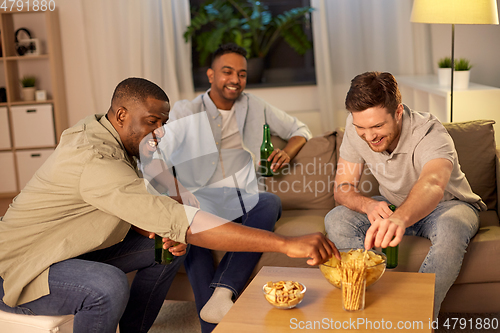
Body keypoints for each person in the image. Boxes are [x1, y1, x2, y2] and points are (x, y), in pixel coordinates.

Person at [0, 77, 338, 333]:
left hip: (64, 251)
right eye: (152, 121)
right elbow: (182, 220)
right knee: (107, 286)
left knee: (165, 250)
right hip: (21, 268)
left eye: (163, 123)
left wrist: (153, 222)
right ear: (121, 114)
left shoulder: (107, 133)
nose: (160, 132)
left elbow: (115, 202)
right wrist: (285, 243)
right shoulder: (95, 158)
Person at [150, 43, 312, 332]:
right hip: (202, 200)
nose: (236, 80)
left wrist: (288, 151)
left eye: (242, 74)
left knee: (269, 202)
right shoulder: (187, 110)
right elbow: (157, 154)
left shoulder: (256, 106)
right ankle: (212, 328)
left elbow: (301, 130)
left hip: (244, 198)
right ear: (211, 75)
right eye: (227, 72)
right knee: (192, 228)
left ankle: (223, 292)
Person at [324, 71, 485, 320]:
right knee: (336, 219)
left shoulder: (430, 132)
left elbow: (433, 183)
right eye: (361, 128)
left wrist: (400, 219)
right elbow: (343, 187)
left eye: (378, 126)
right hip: (394, 207)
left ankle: (414, 319)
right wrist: (367, 205)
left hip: (447, 207)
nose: (369, 136)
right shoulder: (356, 128)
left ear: (398, 112)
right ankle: (375, 304)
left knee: (451, 228)